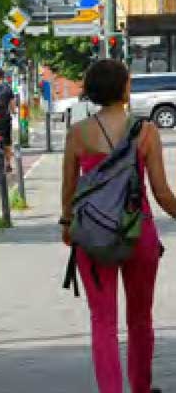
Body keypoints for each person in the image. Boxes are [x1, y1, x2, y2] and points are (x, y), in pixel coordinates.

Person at [61, 59, 176, 393]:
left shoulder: (78, 133)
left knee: (103, 322)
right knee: (140, 319)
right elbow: (162, 192)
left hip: (93, 235)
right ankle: (141, 387)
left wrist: (67, 225)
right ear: (124, 88)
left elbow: (68, 191)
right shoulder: (146, 132)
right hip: (138, 232)